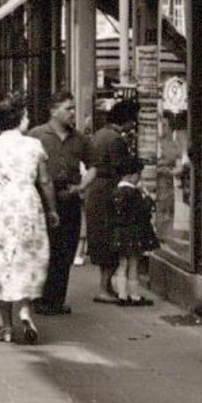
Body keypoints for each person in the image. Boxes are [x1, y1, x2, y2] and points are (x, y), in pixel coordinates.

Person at [0, 97, 57, 345]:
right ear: (18, 119)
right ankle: (25, 309)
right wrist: (52, 209)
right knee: (26, 257)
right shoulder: (34, 145)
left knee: (1, 261)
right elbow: (46, 181)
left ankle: (6, 326)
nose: (28, 120)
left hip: (0, 205)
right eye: (26, 116)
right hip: (28, 203)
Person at [27, 92, 89, 315]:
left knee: (66, 252)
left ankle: (56, 300)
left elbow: (93, 166)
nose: (73, 113)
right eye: (68, 108)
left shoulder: (80, 139)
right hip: (42, 200)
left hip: (69, 199)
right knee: (44, 250)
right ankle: (39, 297)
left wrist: (81, 186)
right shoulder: (36, 135)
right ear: (53, 110)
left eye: (73, 108)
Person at [85, 98, 140, 304]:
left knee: (100, 237)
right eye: (132, 120)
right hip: (108, 191)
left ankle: (105, 286)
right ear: (126, 120)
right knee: (111, 238)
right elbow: (121, 167)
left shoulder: (99, 134)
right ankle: (103, 288)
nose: (133, 124)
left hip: (95, 190)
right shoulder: (116, 139)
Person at [110, 161, 160, 306]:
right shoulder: (134, 193)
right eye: (138, 175)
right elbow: (142, 213)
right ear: (131, 175)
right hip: (133, 233)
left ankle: (121, 294)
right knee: (133, 264)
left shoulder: (115, 192)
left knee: (122, 264)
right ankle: (134, 295)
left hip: (119, 232)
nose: (139, 178)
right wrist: (149, 199)